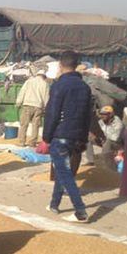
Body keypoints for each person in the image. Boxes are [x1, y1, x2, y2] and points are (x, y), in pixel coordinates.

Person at [43, 52, 93, 223]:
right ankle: (54, 204)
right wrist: (83, 138)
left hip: (61, 134)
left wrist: (46, 137)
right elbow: (88, 116)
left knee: (64, 172)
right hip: (76, 135)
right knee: (61, 169)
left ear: (60, 66)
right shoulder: (85, 87)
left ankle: (80, 211)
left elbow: (52, 113)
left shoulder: (59, 86)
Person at [16, 68, 50, 147]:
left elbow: (22, 92)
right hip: (38, 107)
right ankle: (32, 142)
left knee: (24, 124)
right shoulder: (45, 84)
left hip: (27, 105)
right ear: (44, 76)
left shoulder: (29, 81)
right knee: (36, 125)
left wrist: (18, 102)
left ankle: (22, 142)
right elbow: (46, 98)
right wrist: (46, 108)